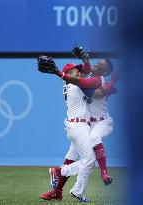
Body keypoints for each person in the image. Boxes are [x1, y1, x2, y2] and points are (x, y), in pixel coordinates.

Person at [40, 57, 118, 202]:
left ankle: (57, 191)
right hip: (80, 127)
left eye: (78, 71)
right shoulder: (76, 84)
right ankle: (64, 177)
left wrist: (84, 58)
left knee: (70, 158)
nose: (79, 72)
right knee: (90, 159)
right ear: (70, 74)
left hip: (77, 126)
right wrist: (109, 86)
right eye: (76, 71)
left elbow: (86, 71)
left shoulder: (71, 83)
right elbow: (90, 85)